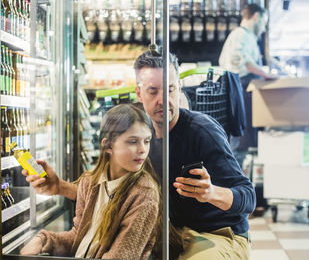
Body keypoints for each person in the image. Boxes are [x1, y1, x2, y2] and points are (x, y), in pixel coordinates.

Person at [23, 51, 256, 259]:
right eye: (153, 91)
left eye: (170, 89)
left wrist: (211, 193)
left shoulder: (203, 131)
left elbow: (248, 197)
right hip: (166, 233)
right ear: (138, 93)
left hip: (216, 234)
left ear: (179, 89)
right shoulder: (136, 130)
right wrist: (60, 187)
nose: (163, 100)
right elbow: (110, 190)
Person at [20, 104, 161, 260]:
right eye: (133, 142)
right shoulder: (90, 182)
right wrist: (44, 240)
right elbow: (79, 238)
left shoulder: (144, 194)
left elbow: (121, 256)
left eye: (147, 141)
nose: (142, 149)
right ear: (108, 145)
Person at [219, 3, 278, 168]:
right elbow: (242, 60)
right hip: (238, 89)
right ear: (256, 16)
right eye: (264, 21)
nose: (264, 27)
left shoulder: (247, 36)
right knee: (238, 141)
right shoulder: (241, 35)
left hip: (242, 90)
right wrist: (266, 74)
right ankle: (232, 183)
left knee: (241, 143)